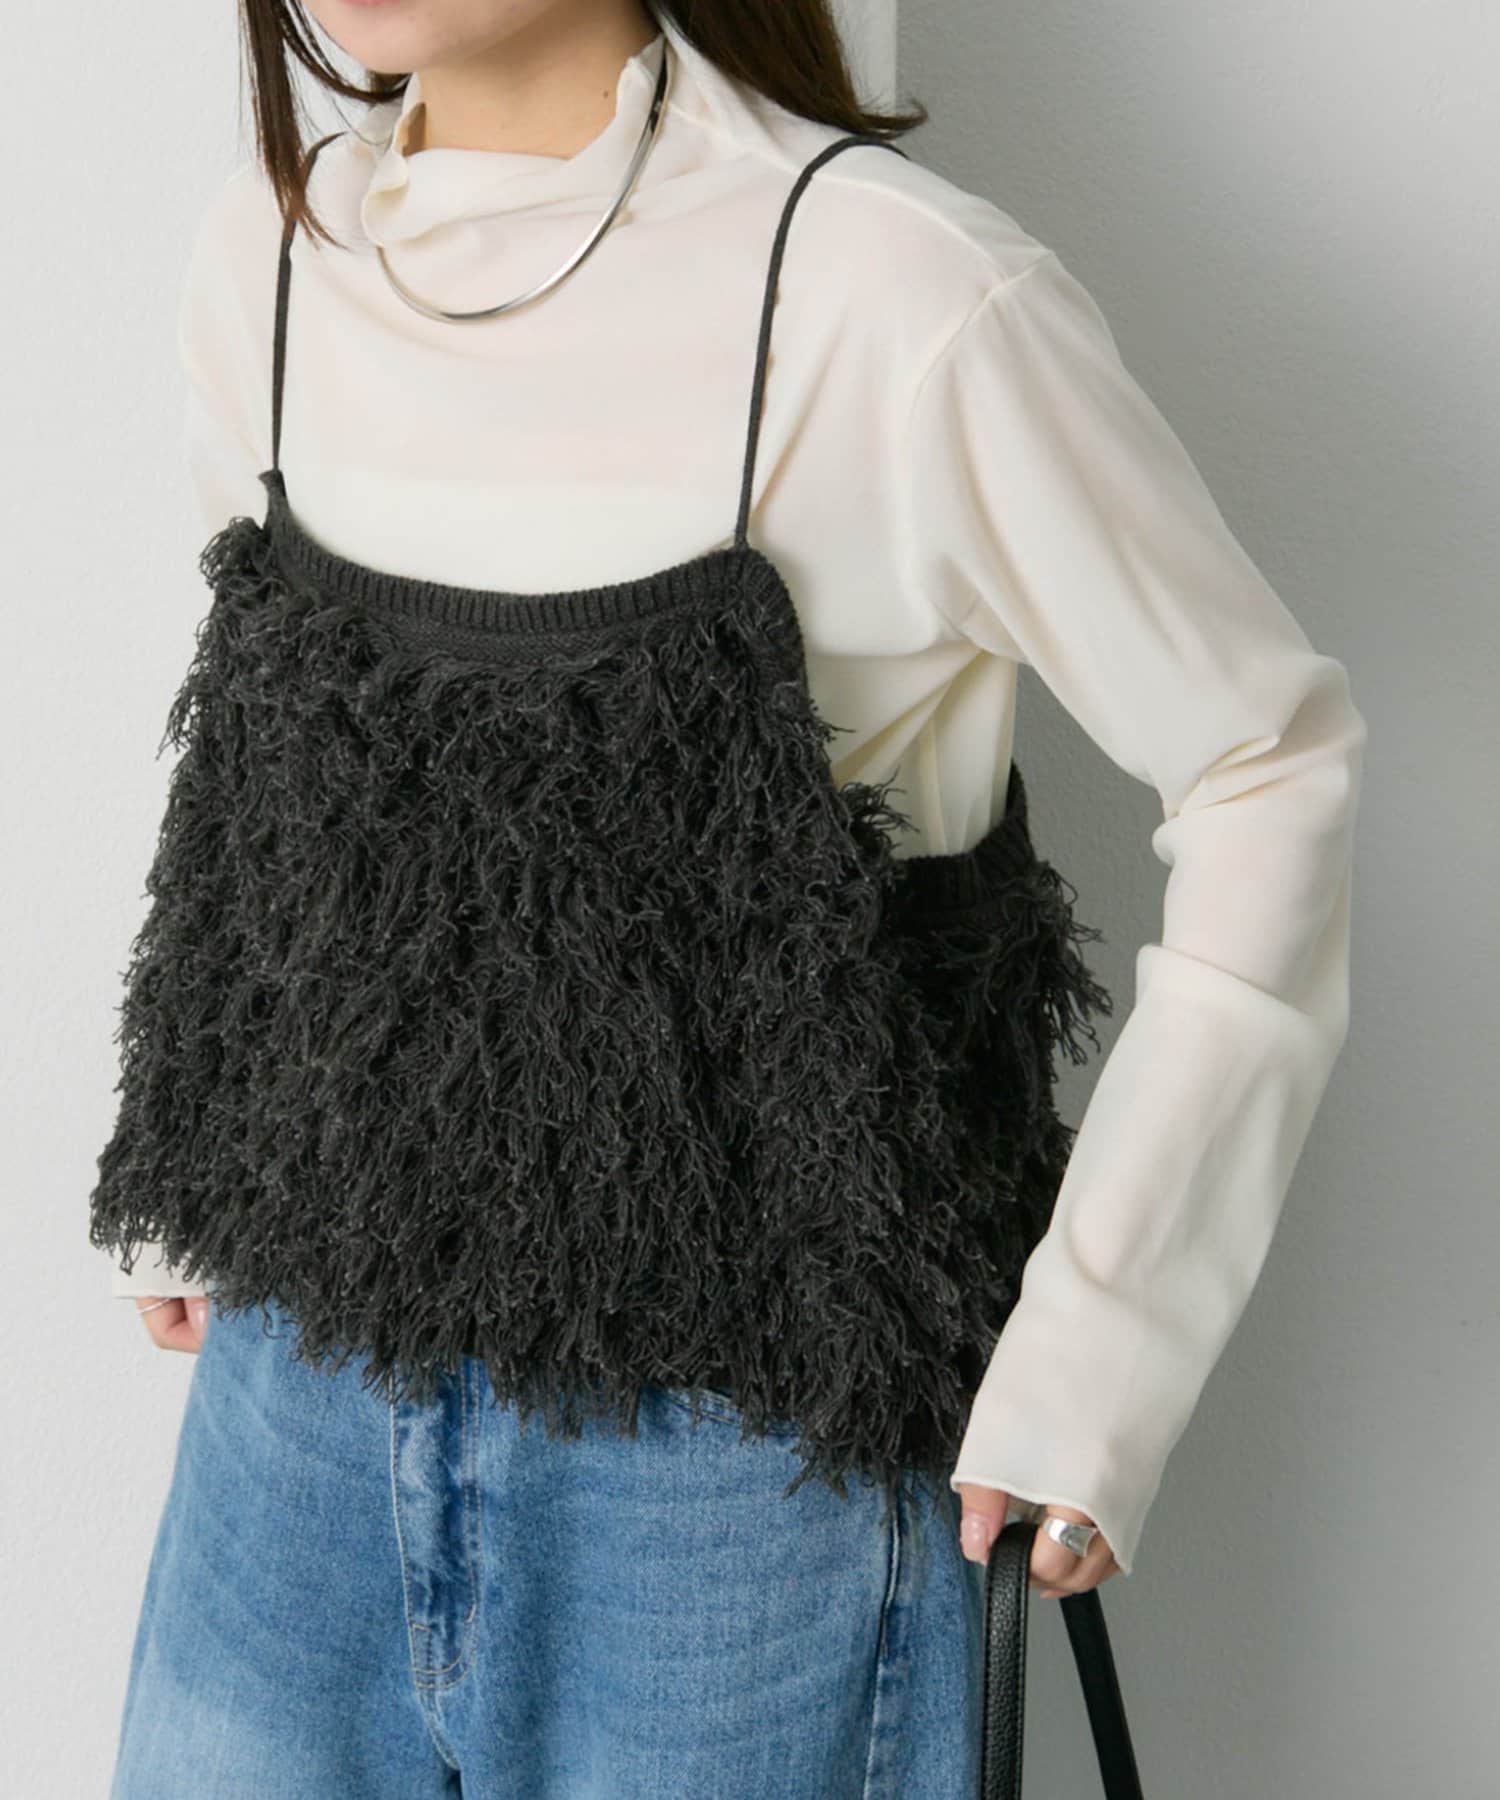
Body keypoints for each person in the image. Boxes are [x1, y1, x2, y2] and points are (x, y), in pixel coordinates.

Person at [94, 2, 1366, 1793]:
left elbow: (1265, 766)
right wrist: (192, 1161)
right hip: (294, 1398)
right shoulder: (276, 254)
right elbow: (275, 760)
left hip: (747, 1468)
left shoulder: (894, 297)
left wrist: (1104, 1351)